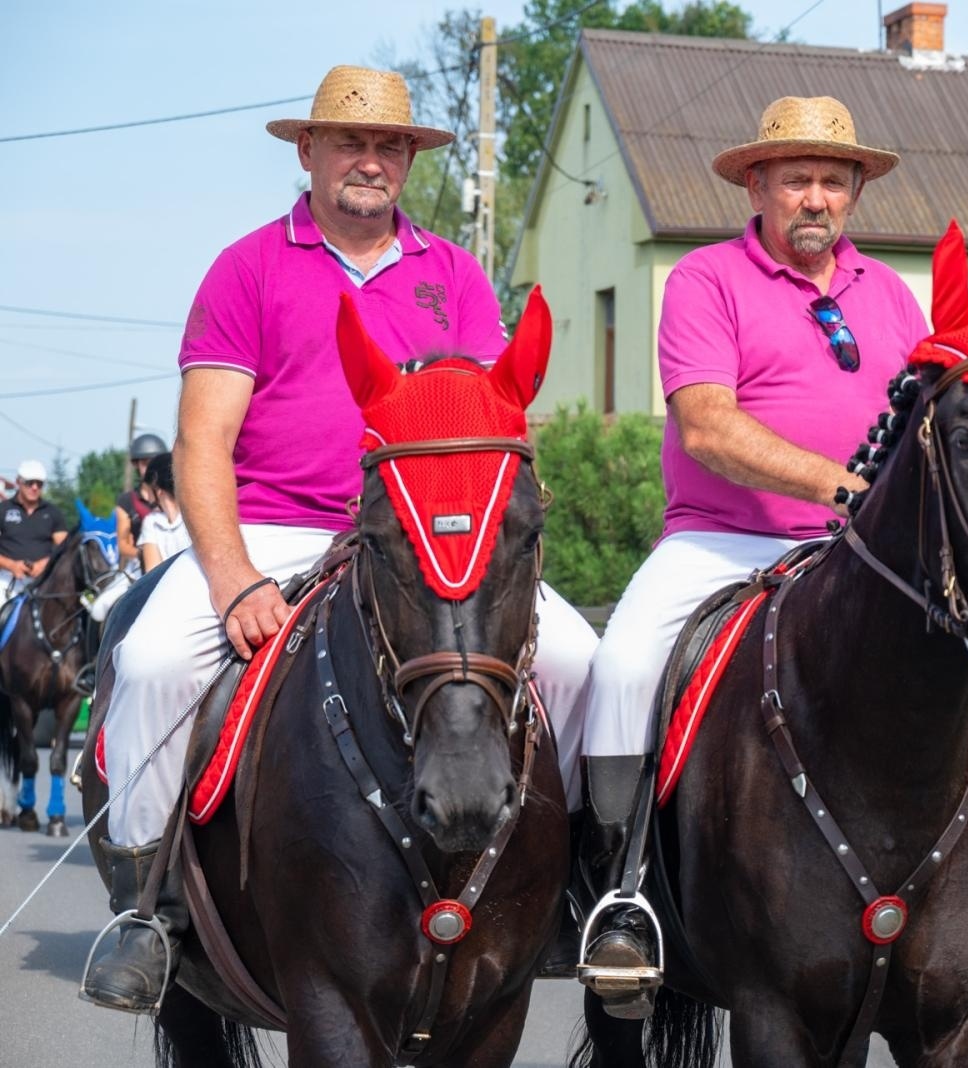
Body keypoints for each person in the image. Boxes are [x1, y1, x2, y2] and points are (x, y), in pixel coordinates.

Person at [81, 65, 598, 1015]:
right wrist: (233, 579)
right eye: (350, 142)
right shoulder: (248, 267)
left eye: (390, 145)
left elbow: (485, 429)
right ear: (308, 151)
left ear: (408, 159)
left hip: (414, 541)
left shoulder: (453, 274)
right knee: (153, 662)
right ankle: (143, 907)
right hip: (273, 526)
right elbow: (205, 440)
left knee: (577, 658)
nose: (371, 160)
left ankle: (577, 893)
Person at [571, 95, 925, 1018]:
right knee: (617, 668)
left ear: (855, 193)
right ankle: (622, 898)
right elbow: (709, 426)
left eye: (834, 181)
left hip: (859, 554)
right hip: (720, 542)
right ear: (758, 183)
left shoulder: (890, 294)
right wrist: (843, 487)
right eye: (797, 178)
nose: (816, 197)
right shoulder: (704, 279)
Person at [0, 459, 69, 599]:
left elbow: (65, 548)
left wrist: (45, 564)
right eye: (29, 483)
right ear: (18, 482)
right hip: (6, 580)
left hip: (43, 581)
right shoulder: (3, 509)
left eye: (39, 484)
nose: (35, 487)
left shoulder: (53, 512)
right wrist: (12, 565)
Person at [114, 434, 168, 568]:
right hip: (138, 566)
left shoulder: (174, 497)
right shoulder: (126, 501)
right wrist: (143, 555)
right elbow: (122, 544)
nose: (151, 468)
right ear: (136, 464)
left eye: (155, 463)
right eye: (145, 463)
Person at [134, 453, 188, 572]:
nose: (147, 498)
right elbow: (153, 570)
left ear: (157, 490)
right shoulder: (152, 522)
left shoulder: (190, 517)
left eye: (148, 490)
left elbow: (152, 572)